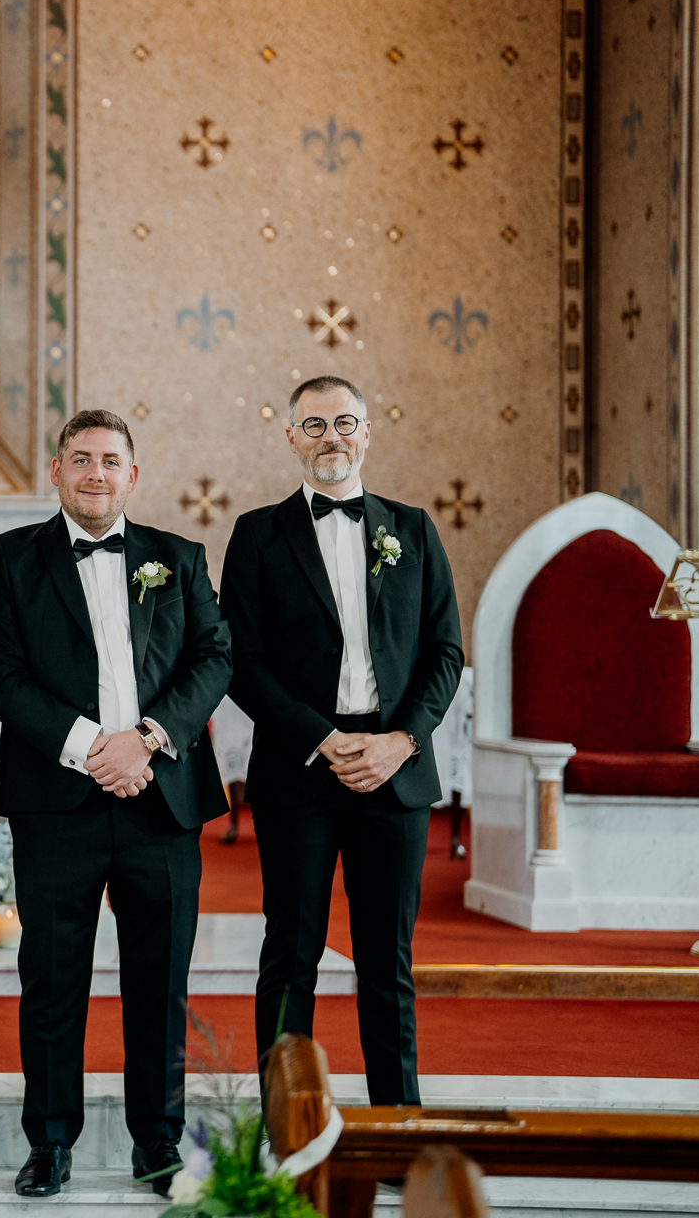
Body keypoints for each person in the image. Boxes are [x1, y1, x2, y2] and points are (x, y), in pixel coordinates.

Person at [0, 409, 232, 1198]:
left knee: (160, 983)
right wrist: (94, 746)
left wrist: (147, 739)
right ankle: (49, 1141)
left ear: (133, 474)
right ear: (55, 471)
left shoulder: (178, 558)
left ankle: (156, 1143)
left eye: (110, 460)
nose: (95, 472)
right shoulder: (15, 559)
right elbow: (2, 674)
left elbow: (214, 655)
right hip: (58, 801)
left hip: (161, 798)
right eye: (79, 459)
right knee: (53, 978)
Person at [221, 375, 463, 1107]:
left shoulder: (412, 529)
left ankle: (398, 1119)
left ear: (368, 433)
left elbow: (443, 653)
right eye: (316, 424)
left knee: (386, 960)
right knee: (291, 953)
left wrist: (402, 741)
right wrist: (324, 738)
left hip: (395, 769)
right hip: (301, 770)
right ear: (291, 436)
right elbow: (241, 659)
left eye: (346, 423)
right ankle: (285, 1120)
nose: (333, 437)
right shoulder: (258, 535)